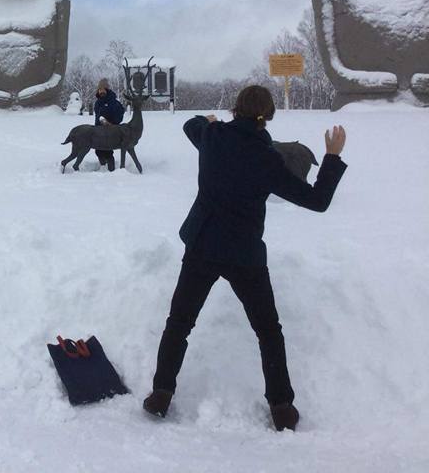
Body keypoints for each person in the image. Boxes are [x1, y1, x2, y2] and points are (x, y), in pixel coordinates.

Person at [143, 85, 346, 432]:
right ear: (267, 117)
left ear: (235, 109)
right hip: (244, 255)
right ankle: (282, 408)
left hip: (202, 245)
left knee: (179, 323)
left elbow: (191, 126)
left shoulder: (212, 135)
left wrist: (208, 119)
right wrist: (330, 157)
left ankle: (161, 394)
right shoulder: (268, 160)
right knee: (268, 331)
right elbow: (317, 200)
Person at [93, 79, 125, 168]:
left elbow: (120, 113)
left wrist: (112, 123)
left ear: (107, 89)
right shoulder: (97, 103)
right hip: (99, 131)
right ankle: (103, 167)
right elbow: (97, 116)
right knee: (98, 151)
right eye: (99, 89)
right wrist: (99, 123)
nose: (101, 91)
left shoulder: (113, 102)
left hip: (110, 131)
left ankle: (111, 171)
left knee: (108, 152)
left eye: (103, 89)